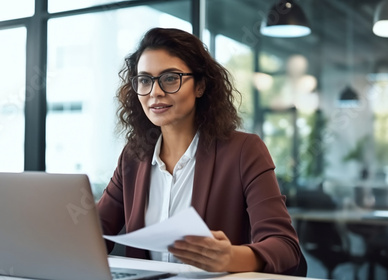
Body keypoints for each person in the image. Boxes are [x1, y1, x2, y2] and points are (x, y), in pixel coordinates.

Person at [96, 27, 303, 275]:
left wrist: (231, 257)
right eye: (144, 80)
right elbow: (95, 233)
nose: (155, 92)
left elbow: (286, 248)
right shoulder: (133, 157)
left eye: (170, 78)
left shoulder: (244, 151)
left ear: (200, 86)